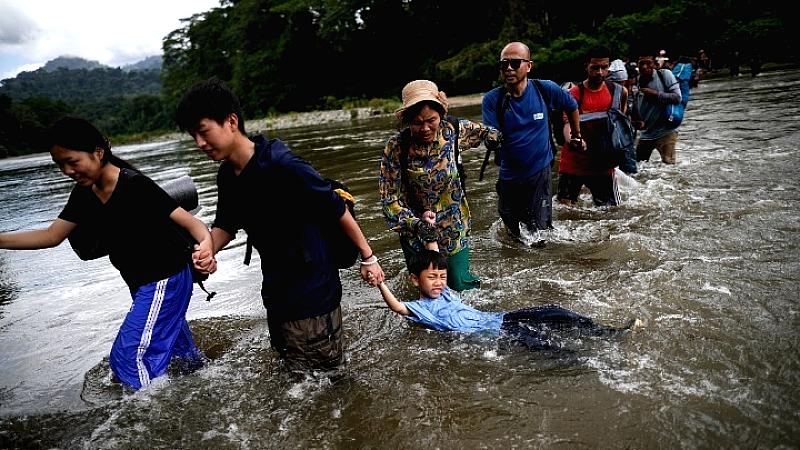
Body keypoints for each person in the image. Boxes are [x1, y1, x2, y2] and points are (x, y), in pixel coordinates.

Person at [176, 79, 384, 373]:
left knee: (325, 382)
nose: (199, 143)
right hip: (277, 293)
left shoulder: (281, 164)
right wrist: (207, 251)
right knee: (296, 378)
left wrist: (368, 257)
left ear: (231, 121)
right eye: (193, 136)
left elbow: (336, 207)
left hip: (313, 291)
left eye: (203, 131)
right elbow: (224, 226)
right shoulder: (228, 176)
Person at [0, 117, 212, 390]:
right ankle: (206, 391)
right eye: (59, 165)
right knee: (182, 360)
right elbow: (51, 236)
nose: (67, 170)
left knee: (128, 359)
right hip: (142, 285)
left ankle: (152, 422)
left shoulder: (134, 185)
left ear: (98, 152)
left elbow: (193, 224)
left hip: (165, 279)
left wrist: (206, 248)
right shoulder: (85, 193)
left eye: (72, 161)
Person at [371, 215, 639, 350]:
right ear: (415, 281)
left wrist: (429, 226)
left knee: (554, 311)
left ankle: (608, 333)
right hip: (495, 334)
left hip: (501, 318)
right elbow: (396, 307)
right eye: (432, 278)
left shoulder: (444, 292)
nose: (439, 282)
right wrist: (381, 282)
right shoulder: (422, 309)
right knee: (543, 345)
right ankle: (587, 361)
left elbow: (435, 256)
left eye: (442, 277)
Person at [380, 79, 500, 292]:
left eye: (431, 120)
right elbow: (390, 200)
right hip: (416, 230)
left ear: (442, 115)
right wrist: (418, 225)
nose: (425, 128)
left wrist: (495, 139)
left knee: (460, 285)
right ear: (406, 121)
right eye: (417, 122)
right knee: (428, 290)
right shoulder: (397, 147)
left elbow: (486, 133)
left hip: (453, 224)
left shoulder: (452, 130)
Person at [481, 41, 582, 243]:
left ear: (529, 65)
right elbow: (491, 134)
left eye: (515, 63)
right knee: (514, 234)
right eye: (504, 64)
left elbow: (571, 105)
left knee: (539, 236)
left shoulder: (545, 89)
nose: (509, 68)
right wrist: (489, 140)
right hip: (509, 175)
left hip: (539, 171)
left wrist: (577, 135)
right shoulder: (493, 100)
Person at [558, 45, 628, 206]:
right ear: (586, 67)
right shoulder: (573, 95)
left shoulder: (619, 92)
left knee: (612, 214)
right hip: (573, 162)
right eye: (594, 67)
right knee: (564, 211)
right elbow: (567, 125)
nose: (600, 72)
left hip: (603, 164)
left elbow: (621, 126)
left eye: (604, 67)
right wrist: (574, 139)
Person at [631, 55, 683, 165]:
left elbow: (677, 98)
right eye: (641, 64)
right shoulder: (635, 80)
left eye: (648, 63)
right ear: (637, 64)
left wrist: (655, 93)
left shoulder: (665, 75)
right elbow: (634, 105)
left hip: (666, 131)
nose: (645, 67)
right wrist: (634, 121)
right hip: (646, 133)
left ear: (654, 63)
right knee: (637, 167)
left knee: (669, 167)